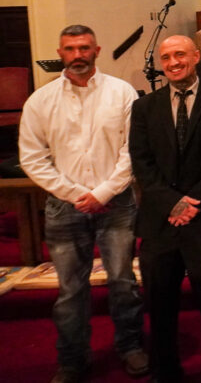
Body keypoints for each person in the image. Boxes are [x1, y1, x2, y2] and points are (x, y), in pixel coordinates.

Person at [19, 25, 147, 383]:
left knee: (123, 282)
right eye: (70, 48)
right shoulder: (40, 101)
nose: (78, 54)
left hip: (116, 203)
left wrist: (103, 193)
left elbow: (132, 150)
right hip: (64, 206)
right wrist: (75, 195)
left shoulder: (121, 93)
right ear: (60, 53)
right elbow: (32, 158)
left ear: (97, 50)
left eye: (84, 48)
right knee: (71, 289)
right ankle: (72, 360)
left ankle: (131, 346)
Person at [129, 35, 201, 381]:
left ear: (196, 56)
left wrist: (192, 202)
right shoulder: (144, 107)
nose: (173, 62)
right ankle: (165, 372)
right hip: (160, 221)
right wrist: (172, 202)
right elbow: (141, 163)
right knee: (160, 305)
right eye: (167, 56)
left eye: (180, 54)